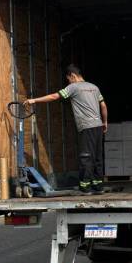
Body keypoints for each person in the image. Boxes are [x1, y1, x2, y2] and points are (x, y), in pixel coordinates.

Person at [24, 64, 108, 195]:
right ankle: (98, 186)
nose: (69, 82)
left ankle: (85, 187)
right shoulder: (94, 87)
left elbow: (54, 96)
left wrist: (34, 100)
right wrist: (105, 122)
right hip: (98, 126)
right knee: (97, 157)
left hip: (87, 127)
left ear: (72, 76)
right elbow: (103, 106)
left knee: (86, 157)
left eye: (68, 79)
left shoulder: (73, 87)